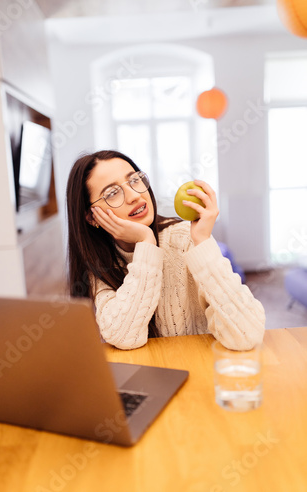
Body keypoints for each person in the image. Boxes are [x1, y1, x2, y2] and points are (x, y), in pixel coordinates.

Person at [66, 149, 265, 350]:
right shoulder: (100, 265)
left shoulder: (186, 239)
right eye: (112, 193)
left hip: (200, 370)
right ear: (91, 217)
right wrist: (146, 243)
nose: (135, 196)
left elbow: (248, 334)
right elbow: (123, 336)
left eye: (135, 180)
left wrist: (203, 241)